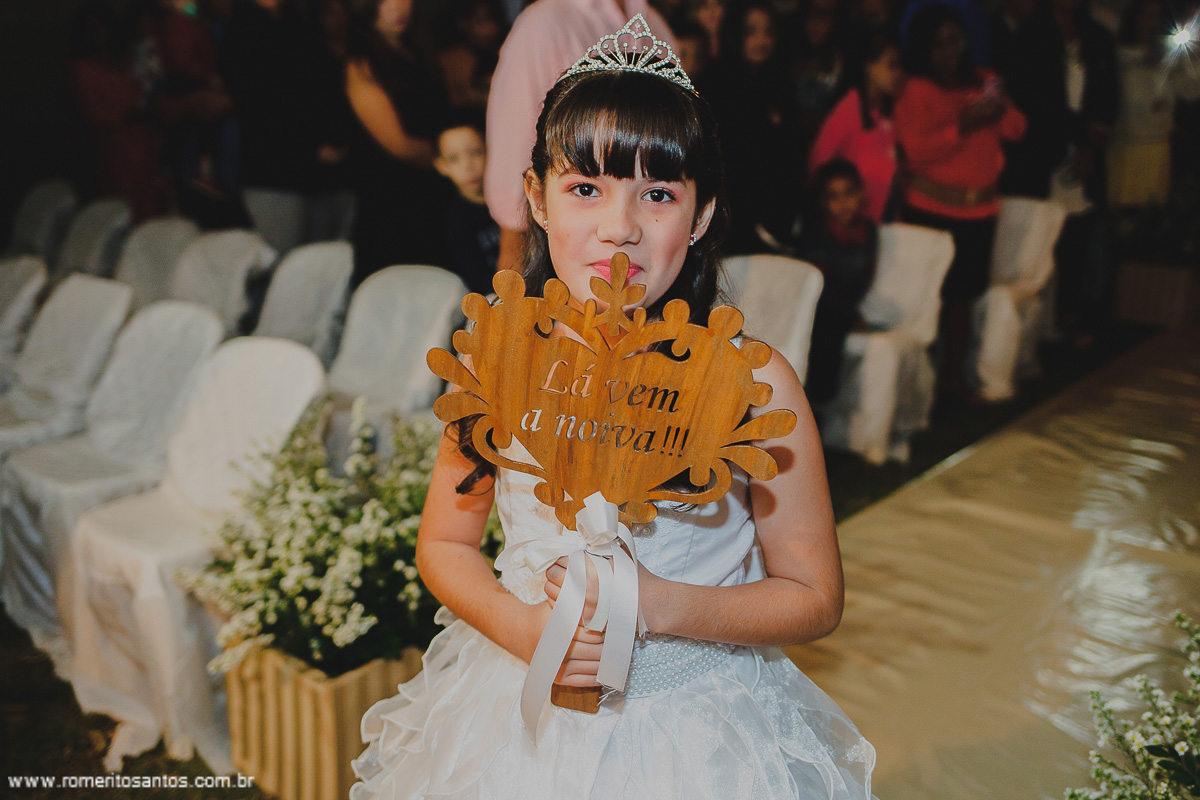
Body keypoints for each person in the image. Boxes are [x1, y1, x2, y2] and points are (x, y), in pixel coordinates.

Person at [350, 21, 876, 800]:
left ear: (699, 217)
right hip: (516, 719)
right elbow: (446, 542)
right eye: (586, 188)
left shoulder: (752, 383)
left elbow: (814, 596)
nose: (619, 227)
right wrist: (520, 626)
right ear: (535, 198)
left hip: (698, 732)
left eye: (657, 194)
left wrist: (661, 606)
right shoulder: (499, 361)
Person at [483, 0, 675, 273]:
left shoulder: (653, 23)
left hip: (652, 255)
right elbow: (514, 150)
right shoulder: (544, 24)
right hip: (566, 254)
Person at [894, 3, 1025, 400]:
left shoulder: (984, 79)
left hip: (980, 209)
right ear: (924, 49)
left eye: (954, 40)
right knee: (931, 297)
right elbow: (913, 153)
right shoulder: (915, 88)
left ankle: (955, 375)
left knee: (965, 297)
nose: (949, 50)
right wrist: (962, 126)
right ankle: (922, 381)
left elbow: (1018, 129)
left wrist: (998, 110)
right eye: (939, 44)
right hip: (930, 207)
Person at [344, 0, 450, 288]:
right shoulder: (361, 63)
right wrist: (455, 162)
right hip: (390, 201)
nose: (399, 7)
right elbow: (398, 145)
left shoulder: (419, 53)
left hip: (434, 193)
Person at [800, 159, 879, 406]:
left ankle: (823, 403)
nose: (843, 204)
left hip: (842, 307)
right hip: (815, 307)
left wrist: (851, 311)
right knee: (826, 331)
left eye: (849, 194)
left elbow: (864, 276)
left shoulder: (868, 232)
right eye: (834, 197)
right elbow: (819, 285)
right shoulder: (816, 233)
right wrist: (848, 314)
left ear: (861, 194)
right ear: (823, 202)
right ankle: (815, 402)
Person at [808, 28, 902, 223]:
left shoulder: (890, 109)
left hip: (882, 222)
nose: (898, 73)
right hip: (849, 230)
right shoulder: (848, 109)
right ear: (869, 66)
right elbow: (817, 166)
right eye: (891, 65)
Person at [434, 114, 500, 295]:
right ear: (441, 166)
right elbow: (474, 280)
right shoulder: (456, 220)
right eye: (454, 159)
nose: (468, 166)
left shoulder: (510, 199)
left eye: (475, 152)